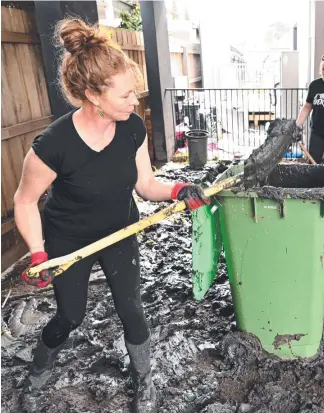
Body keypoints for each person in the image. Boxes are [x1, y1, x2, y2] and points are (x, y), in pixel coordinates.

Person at [14, 18, 209, 413]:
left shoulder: (132, 127)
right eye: (125, 96)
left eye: (133, 92)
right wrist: (39, 255)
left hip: (119, 230)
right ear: (93, 95)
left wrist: (178, 190)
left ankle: (144, 380)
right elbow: (24, 201)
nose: (134, 102)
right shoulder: (53, 145)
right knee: (70, 316)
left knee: (131, 309)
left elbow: (145, 186)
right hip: (69, 240)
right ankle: (35, 376)